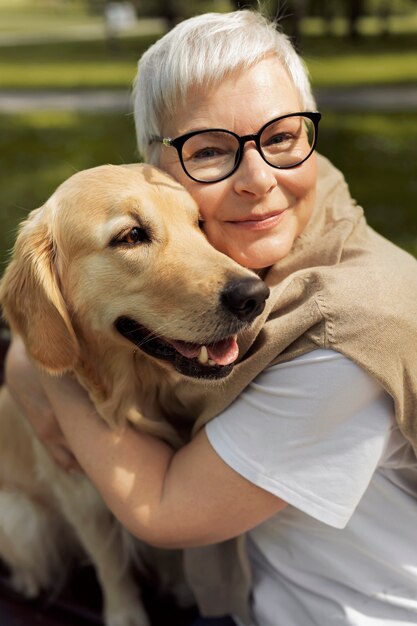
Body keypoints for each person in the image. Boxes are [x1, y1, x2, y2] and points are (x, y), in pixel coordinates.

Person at [5, 10, 417, 626]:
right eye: (212, 149)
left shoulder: (341, 343)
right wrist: (31, 348)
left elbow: (163, 511)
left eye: (280, 137)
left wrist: (44, 374)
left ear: (308, 135)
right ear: (163, 166)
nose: (259, 179)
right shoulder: (281, 217)